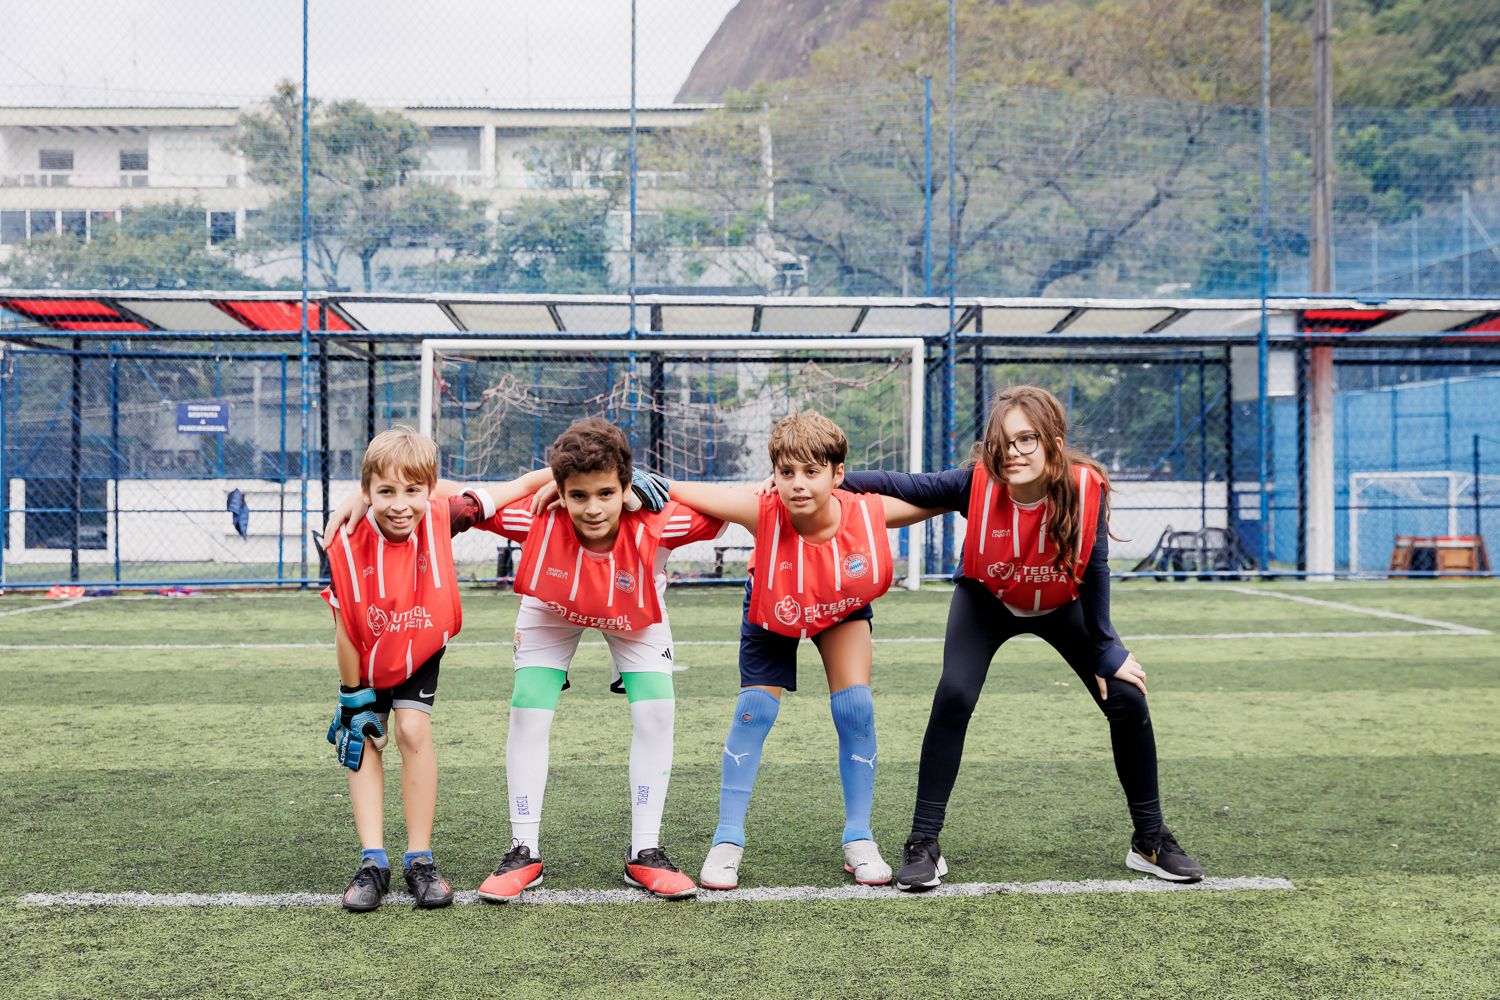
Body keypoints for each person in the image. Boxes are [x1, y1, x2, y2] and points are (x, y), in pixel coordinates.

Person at [838, 384, 1204, 890]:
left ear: (1054, 441)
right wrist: (831, 477)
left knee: (1125, 695)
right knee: (954, 693)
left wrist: (1105, 648)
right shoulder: (975, 484)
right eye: (1003, 442)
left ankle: (1150, 839)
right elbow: (901, 484)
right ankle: (923, 841)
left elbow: (1095, 567)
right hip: (987, 600)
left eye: (1027, 439)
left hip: (1062, 602)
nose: (1013, 452)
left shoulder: (1085, 486)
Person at [662, 411, 942, 890]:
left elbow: (940, 497)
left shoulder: (868, 510)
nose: (798, 483)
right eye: (786, 471)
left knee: (856, 708)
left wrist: (984, 486)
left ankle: (859, 838)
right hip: (775, 603)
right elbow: (678, 489)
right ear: (773, 474)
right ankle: (727, 841)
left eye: (812, 471)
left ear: (838, 473)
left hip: (839, 604)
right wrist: (634, 484)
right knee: (753, 711)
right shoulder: (760, 510)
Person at [470, 418, 724, 901]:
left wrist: (659, 486)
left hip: (632, 611)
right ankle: (524, 850)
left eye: (606, 493)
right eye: (578, 495)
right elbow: (450, 499)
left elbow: (725, 512)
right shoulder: (535, 516)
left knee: (657, 712)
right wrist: (363, 494)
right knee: (528, 710)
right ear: (560, 493)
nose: (592, 508)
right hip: (554, 606)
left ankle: (644, 851)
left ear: (626, 488)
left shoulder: (660, 519)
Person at [321, 427, 553, 912]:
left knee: (412, 730)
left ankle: (420, 859)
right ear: (366, 491)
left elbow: (516, 486)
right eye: (386, 491)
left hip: (419, 642)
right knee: (364, 736)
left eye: (412, 491)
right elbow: (343, 625)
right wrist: (351, 696)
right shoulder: (346, 539)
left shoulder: (448, 513)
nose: (400, 504)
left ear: (431, 489)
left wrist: (566, 474)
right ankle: (372, 862)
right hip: (365, 652)